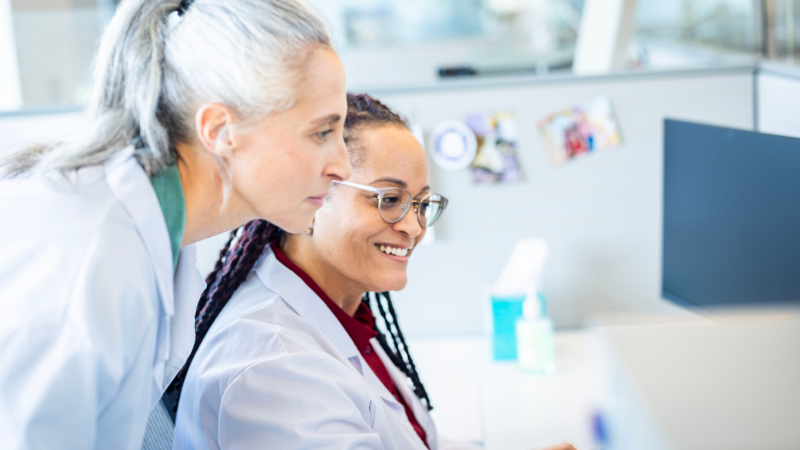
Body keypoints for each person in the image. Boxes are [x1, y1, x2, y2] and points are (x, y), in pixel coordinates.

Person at [0, 0, 349, 448]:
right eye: (322, 132)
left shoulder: (158, 237)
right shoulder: (87, 264)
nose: (342, 165)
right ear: (221, 131)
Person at [171, 94, 578, 450]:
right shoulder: (273, 369)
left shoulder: (342, 312)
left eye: (420, 204)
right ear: (309, 199)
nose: (414, 227)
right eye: (388, 198)